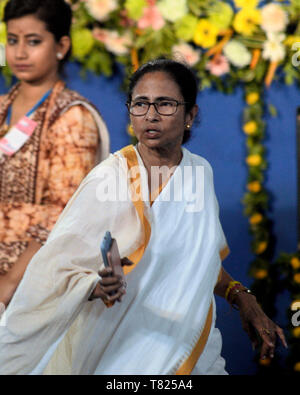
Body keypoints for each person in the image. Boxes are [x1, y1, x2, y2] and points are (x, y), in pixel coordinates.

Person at [0, 58, 287, 375]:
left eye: (165, 104)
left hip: (191, 350)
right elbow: (55, 270)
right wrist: (97, 286)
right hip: (117, 352)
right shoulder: (109, 179)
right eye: (140, 104)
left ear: (190, 114)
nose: (151, 115)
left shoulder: (199, 172)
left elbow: (199, 262)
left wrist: (243, 298)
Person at [0, 0, 110, 307]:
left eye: (33, 41)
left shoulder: (72, 116)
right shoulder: (1, 106)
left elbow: (66, 213)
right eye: (12, 40)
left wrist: (9, 283)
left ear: (61, 45)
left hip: (33, 282)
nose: (20, 53)